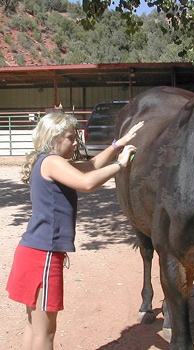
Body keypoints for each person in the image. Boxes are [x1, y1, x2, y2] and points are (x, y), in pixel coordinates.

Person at [6, 112, 144, 350]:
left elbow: (90, 166)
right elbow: (87, 182)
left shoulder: (47, 162)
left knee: (33, 326)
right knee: (45, 333)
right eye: (71, 138)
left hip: (32, 253)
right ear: (55, 138)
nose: (75, 143)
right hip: (43, 256)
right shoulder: (52, 162)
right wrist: (121, 164)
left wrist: (116, 145)